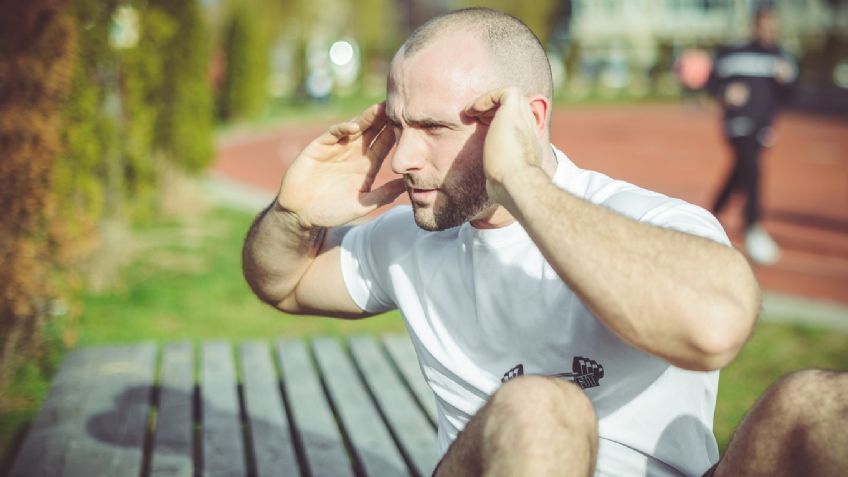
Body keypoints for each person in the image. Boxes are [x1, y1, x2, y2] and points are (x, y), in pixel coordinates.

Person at [243, 8, 847, 477]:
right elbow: (284, 282)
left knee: (818, 406)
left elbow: (715, 329)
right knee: (542, 408)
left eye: (433, 128)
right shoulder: (408, 241)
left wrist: (521, 181)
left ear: (528, 120)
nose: (402, 158)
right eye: (399, 126)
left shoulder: (650, 221)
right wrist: (294, 213)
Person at [706, 6, 799, 265]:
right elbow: (712, 83)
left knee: (740, 171)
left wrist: (786, 80)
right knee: (752, 168)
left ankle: (710, 217)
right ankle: (753, 228)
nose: (768, 30)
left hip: (763, 129)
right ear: (754, 25)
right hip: (736, 124)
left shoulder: (782, 57)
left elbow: (791, 96)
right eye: (763, 25)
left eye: (772, 26)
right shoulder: (734, 53)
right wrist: (726, 92)